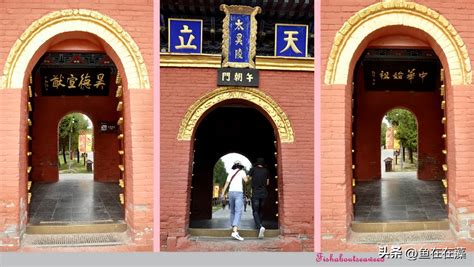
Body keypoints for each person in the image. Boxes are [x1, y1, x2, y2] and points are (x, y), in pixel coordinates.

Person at [220, 160, 248, 241]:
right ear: (240, 166)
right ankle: (235, 231)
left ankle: (233, 227)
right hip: (238, 192)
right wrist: (248, 178)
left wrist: (222, 193)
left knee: (232, 211)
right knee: (238, 211)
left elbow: (227, 183)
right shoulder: (242, 172)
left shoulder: (231, 172)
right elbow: (246, 180)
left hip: (231, 192)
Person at [248, 157, 270, 239]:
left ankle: (260, 227)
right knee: (261, 210)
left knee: (255, 211)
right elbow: (267, 183)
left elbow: (248, 179)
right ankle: (260, 226)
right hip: (264, 193)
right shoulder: (266, 171)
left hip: (256, 193)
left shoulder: (253, 169)